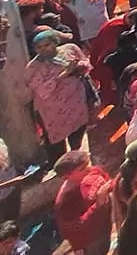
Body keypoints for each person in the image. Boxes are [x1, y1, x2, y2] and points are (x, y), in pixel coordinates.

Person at [25, 30, 91, 163]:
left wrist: (79, 66)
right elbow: (41, 90)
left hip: (75, 100)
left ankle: (77, 160)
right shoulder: (33, 67)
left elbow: (86, 64)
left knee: (77, 130)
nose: (43, 49)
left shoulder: (70, 49)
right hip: (52, 110)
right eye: (39, 47)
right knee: (56, 141)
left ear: (55, 42)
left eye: (47, 45)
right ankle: (62, 168)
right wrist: (65, 73)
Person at [53, 151, 111, 255]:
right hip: (90, 241)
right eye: (82, 169)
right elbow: (75, 229)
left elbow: (107, 181)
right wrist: (98, 204)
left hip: (105, 229)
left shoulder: (92, 172)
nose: (89, 169)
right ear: (66, 176)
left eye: (88, 164)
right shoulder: (65, 202)